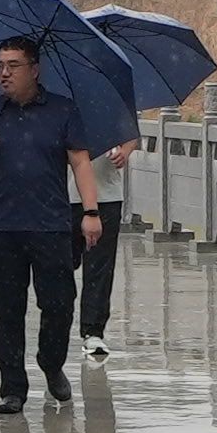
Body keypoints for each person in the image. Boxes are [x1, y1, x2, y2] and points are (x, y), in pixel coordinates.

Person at [0, 36, 102, 415]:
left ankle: (51, 363)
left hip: (50, 225)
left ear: (34, 70)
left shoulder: (62, 109)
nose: (4, 73)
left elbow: (80, 161)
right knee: (7, 310)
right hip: (1, 227)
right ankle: (12, 389)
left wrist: (91, 212)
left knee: (59, 303)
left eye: (13, 66)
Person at [77, 133, 139, 360]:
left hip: (106, 194)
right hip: (60, 194)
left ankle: (93, 331)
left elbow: (131, 132)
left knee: (100, 267)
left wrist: (125, 151)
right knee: (57, 267)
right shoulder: (50, 110)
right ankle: (55, 327)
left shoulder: (109, 110)